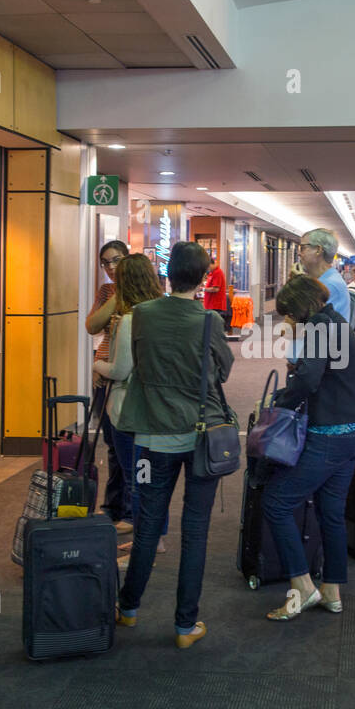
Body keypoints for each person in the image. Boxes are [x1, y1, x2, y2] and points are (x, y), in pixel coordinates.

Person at [114, 241, 234, 649]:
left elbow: (138, 361)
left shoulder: (141, 315)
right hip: (200, 437)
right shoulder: (209, 320)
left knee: (148, 525)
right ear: (203, 279)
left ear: (168, 274)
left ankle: (128, 608)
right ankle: (185, 626)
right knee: (195, 530)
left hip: (151, 436)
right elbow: (223, 370)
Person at [261, 276, 355, 621]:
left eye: (289, 313)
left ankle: (303, 586)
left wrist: (280, 401)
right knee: (331, 512)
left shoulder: (320, 328)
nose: (288, 319)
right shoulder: (340, 322)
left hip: (330, 434)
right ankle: (332, 591)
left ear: (300, 307)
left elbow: (308, 378)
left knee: (276, 502)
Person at [93, 254, 168, 556]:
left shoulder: (128, 320)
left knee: (136, 479)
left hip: (127, 408)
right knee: (152, 478)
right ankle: (157, 536)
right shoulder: (161, 314)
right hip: (158, 408)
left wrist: (97, 365)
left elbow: (120, 370)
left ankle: (145, 543)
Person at [85, 239, 131, 528]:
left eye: (116, 260)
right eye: (106, 263)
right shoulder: (106, 291)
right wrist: (116, 294)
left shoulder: (144, 292)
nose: (111, 267)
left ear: (127, 259)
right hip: (103, 372)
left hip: (127, 376)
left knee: (130, 446)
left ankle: (130, 510)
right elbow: (92, 325)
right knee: (112, 444)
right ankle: (112, 505)